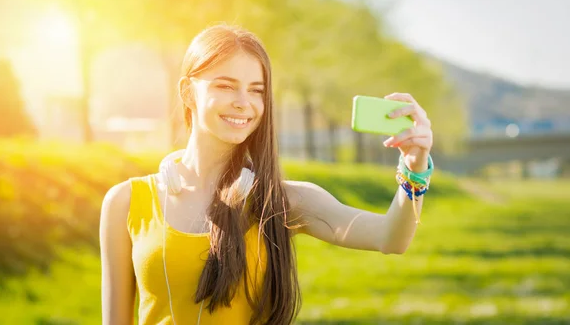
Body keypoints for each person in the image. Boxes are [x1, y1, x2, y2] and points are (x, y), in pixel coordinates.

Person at [99, 24, 434, 325]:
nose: (244, 103)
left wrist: (415, 167)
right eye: (226, 86)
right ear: (188, 93)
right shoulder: (125, 203)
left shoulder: (281, 201)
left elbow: (391, 237)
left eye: (256, 90)